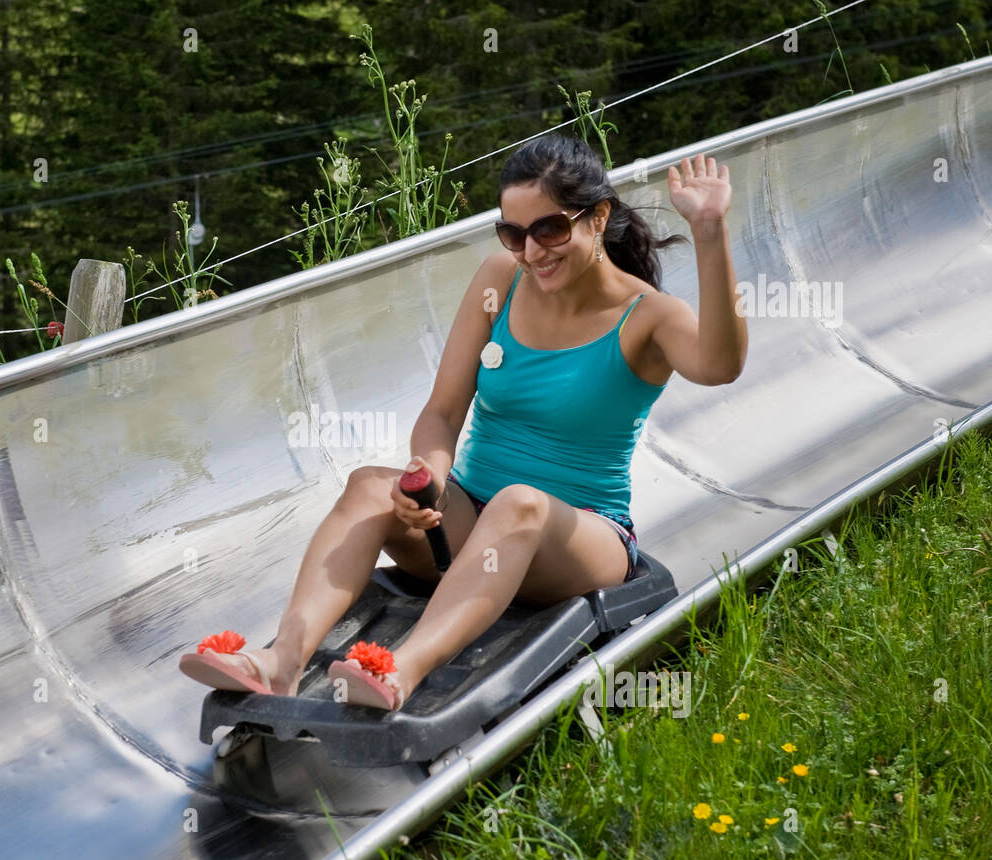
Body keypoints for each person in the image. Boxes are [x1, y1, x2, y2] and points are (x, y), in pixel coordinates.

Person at [180, 135, 746, 710]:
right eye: (514, 234)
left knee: (518, 504)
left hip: (580, 540)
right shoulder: (501, 280)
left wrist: (709, 232)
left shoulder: (647, 315)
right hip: (473, 524)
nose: (532, 251)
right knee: (369, 486)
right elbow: (444, 411)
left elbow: (722, 365)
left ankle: (400, 672)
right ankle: (281, 662)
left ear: (597, 218)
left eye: (550, 229)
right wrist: (430, 472)